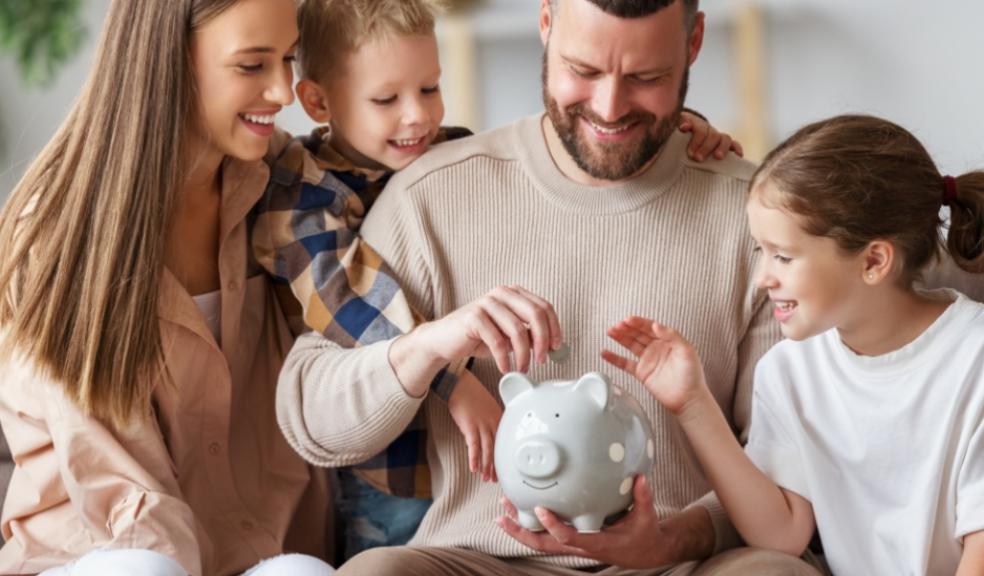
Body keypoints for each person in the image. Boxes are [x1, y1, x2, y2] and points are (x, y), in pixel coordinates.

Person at [276, 0, 824, 573]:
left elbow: (787, 478)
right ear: (545, 24)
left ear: (693, 43)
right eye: (583, 71)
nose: (609, 108)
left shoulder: (756, 217)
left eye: (646, 77)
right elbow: (313, 422)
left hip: (683, 561)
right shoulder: (428, 193)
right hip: (477, 560)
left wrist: (671, 539)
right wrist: (428, 346)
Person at [0, 1, 333, 574]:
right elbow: (112, 479)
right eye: (251, 65)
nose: (284, 91)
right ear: (169, 59)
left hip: (260, 549)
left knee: (301, 572)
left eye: (289, 58)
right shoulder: (58, 228)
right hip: (105, 548)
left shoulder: (282, 183)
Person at [602, 114, 984, 575]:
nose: (762, 278)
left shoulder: (973, 359)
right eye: (759, 251)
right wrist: (693, 404)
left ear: (874, 261)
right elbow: (782, 534)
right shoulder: (789, 370)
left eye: (782, 256)